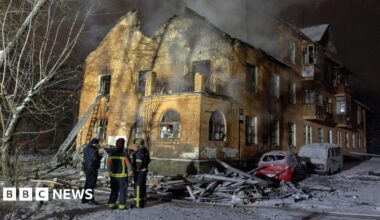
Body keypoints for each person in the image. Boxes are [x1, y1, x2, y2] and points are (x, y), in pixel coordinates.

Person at [107, 138, 134, 210]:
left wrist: (110, 172)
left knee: (114, 190)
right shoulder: (124, 154)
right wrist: (130, 174)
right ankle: (122, 206)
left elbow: (108, 164)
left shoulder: (111, 154)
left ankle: (111, 205)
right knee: (122, 191)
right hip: (122, 176)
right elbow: (129, 165)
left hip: (113, 176)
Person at [82, 138, 102, 205]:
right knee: (91, 184)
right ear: (94, 143)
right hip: (92, 168)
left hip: (87, 168)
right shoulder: (93, 150)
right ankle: (90, 200)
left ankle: (84, 199)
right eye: (97, 144)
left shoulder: (86, 148)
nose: (97, 145)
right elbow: (95, 158)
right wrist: (100, 156)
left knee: (87, 183)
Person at [132, 138, 151, 208]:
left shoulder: (139, 152)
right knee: (143, 186)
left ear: (139, 144)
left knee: (137, 186)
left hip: (139, 172)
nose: (134, 146)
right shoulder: (145, 150)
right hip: (144, 171)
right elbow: (148, 160)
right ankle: (143, 201)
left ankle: (137, 203)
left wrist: (135, 169)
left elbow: (138, 164)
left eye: (135, 144)